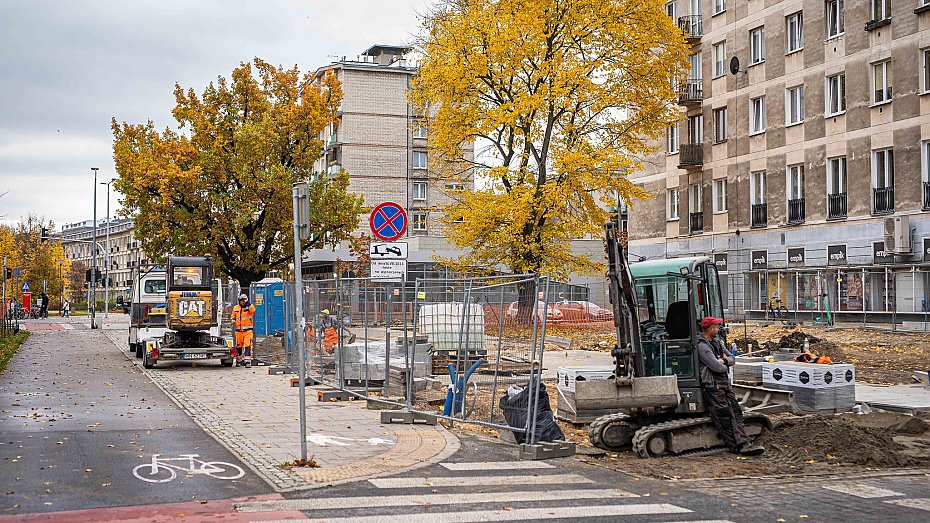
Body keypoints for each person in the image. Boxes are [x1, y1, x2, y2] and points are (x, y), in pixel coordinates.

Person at [696, 316, 765, 456]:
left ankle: (744, 442)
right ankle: (737, 446)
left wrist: (723, 361)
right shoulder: (702, 346)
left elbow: (733, 359)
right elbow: (716, 367)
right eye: (716, 327)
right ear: (710, 329)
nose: (718, 329)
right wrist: (723, 362)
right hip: (713, 386)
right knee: (724, 415)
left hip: (723, 384)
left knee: (735, 411)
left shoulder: (716, 342)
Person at [231, 294, 256, 368]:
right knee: (239, 346)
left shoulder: (249, 307)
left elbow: (253, 310)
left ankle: (247, 362)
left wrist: (248, 303)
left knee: (247, 345)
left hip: (248, 331)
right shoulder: (236, 308)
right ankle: (238, 361)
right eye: (241, 301)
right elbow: (233, 315)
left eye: (244, 301)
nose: (243, 302)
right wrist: (233, 319)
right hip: (238, 331)